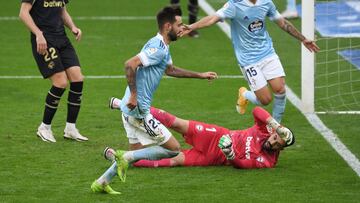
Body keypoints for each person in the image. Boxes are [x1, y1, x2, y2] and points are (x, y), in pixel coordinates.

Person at [90, 6, 217, 194]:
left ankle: (101, 182)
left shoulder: (162, 47)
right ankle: (125, 156)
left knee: (137, 153)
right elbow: (130, 64)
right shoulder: (157, 48)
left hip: (128, 109)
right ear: (168, 27)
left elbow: (170, 70)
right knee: (173, 149)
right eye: (179, 24)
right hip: (138, 110)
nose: (182, 28)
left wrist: (200, 75)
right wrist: (134, 94)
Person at [182, 0, 320, 123]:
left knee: (280, 88)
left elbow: (283, 23)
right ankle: (245, 94)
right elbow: (212, 19)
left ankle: (276, 127)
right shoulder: (234, 5)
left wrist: (303, 39)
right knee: (265, 100)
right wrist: (191, 27)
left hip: (267, 53)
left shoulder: (266, 3)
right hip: (248, 60)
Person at [103, 104, 295, 169]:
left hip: (214, 158)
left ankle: (121, 157)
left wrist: (230, 155)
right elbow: (257, 111)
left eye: (278, 142)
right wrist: (275, 125)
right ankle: (128, 106)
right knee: (177, 123)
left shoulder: (268, 161)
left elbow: (244, 165)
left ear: (281, 149)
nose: (273, 140)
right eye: (276, 136)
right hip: (216, 135)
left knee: (173, 160)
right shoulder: (266, 131)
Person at [19, 0, 88, 142]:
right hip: (44, 40)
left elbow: (62, 11)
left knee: (77, 78)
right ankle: (44, 127)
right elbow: (23, 13)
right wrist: (38, 34)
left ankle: (70, 128)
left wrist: (73, 27)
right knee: (61, 82)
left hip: (62, 38)